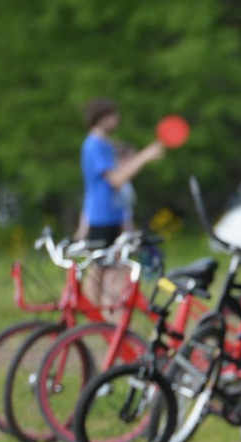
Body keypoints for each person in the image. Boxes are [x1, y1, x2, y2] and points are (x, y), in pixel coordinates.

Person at [78, 98, 163, 307]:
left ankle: (106, 316)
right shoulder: (94, 146)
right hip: (102, 217)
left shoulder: (105, 144)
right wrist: (144, 156)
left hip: (114, 215)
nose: (117, 119)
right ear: (102, 118)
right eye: (113, 115)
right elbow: (116, 180)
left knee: (114, 267)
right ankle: (97, 315)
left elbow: (121, 164)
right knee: (100, 269)